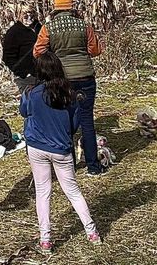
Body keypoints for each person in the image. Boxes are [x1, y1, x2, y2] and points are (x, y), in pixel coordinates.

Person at [20, 51, 102, 253]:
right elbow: (75, 125)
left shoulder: (30, 93)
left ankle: (45, 239)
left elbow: (24, 112)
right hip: (61, 149)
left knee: (43, 192)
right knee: (73, 191)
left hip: (37, 147)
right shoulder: (69, 95)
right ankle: (91, 232)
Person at [33, 0, 104, 176]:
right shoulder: (83, 26)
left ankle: (69, 167)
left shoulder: (49, 28)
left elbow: (37, 52)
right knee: (87, 122)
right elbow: (95, 50)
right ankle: (93, 167)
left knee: (65, 123)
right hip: (86, 77)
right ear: (72, 6)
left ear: (55, 7)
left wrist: (55, 58)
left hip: (62, 80)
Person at [2, 4, 41, 93]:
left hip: (43, 75)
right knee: (30, 103)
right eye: (25, 16)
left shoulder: (40, 28)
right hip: (25, 78)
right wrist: (23, 73)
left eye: (31, 15)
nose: (29, 19)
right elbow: (7, 57)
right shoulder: (14, 32)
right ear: (19, 15)